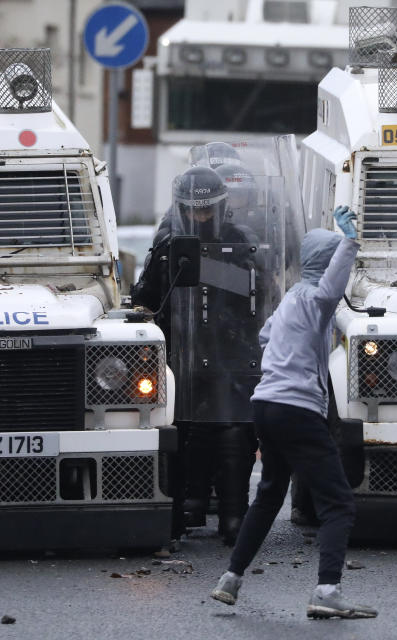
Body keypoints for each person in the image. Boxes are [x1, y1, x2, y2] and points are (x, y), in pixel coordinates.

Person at [210, 206, 378, 619]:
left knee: (268, 497)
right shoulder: (317, 300)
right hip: (297, 410)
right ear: (328, 265)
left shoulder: (290, 300)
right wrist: (351, 243)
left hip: (266, 405)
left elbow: (267, 335)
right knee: (338, 502)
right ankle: (327, 590)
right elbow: (330, 289)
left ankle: (230, 579)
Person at [132, 166, 260, 544]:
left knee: (235, 431)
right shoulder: (167, 242)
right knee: (184, 432)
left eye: (206, 211)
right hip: (181, 355)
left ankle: (235, 517)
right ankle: (183, 510)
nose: (199, 218)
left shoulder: (242, 240)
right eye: (191, 210)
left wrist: (206, 266)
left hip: (232, 351)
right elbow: (146, 298)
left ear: (220, 208)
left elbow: (261, 290)